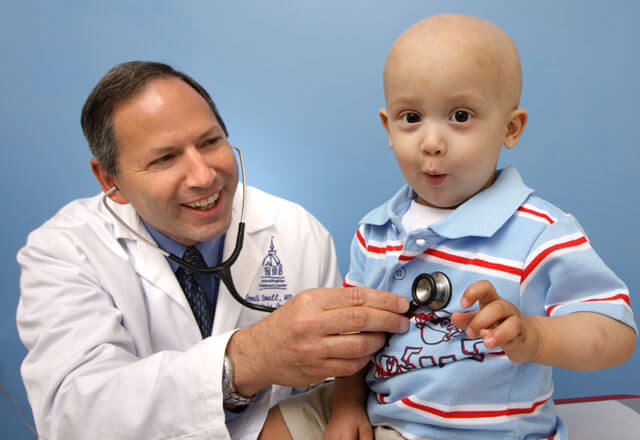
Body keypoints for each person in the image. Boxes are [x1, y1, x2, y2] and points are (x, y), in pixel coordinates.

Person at [260, 13, 637, 440]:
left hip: (474, 432)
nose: (431, 142)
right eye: (411, 117)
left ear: (510, 128)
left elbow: (615, 332)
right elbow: (356, 337)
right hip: (375, 408)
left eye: (460, 116)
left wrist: (535, 336)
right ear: (387, 127)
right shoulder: (378, 230)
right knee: (273, 425)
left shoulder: (540, 231)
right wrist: (347, 408)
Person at [16, 61, 411, 440]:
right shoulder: (64, 251)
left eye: (210, 142)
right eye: (165, 158)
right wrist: (247, 359)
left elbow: (328, 397)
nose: (204, 177)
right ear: (109, 179)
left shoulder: (296, 231)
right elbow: (73, 416)